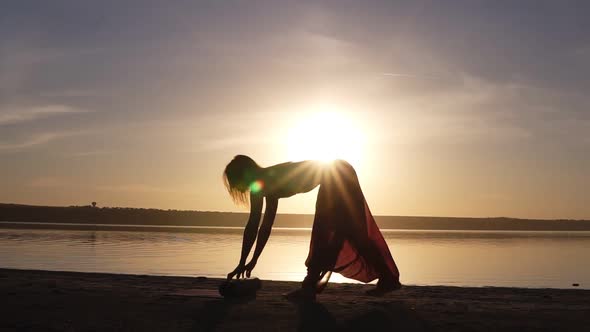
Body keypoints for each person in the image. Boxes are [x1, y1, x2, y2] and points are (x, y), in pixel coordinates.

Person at [224, 155, 401, 301]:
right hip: (339, 172)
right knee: (348, 233)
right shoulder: (264, 182)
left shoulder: (261, 182)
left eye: (235, 181)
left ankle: (309, 288)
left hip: (336, 173)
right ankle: (387, 279)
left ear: (243, 174)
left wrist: (244, 261)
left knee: (326, 234)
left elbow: (255, 225)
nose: (237, 187)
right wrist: (250, 260)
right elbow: (264, 226)